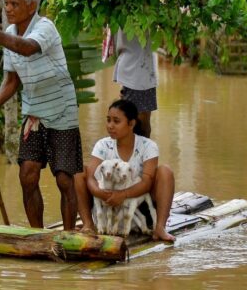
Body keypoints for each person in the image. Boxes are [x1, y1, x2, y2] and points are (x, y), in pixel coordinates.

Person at [0, 0, 82, 230]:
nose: (8, 8)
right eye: (6, 3)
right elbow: (12, 81)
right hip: (34, 111)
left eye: (14, 3)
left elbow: (27, 48)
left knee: (63, 178)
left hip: (61, 110)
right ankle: (37, 234)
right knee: (27, 175)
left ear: (31, 6)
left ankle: (69, 234)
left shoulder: (45, 27)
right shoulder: (11, 34)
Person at [75, 99, 176, 242]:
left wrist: (123, 195)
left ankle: (159, 227)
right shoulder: (102, 145)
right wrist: (101, 194)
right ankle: (88, 224)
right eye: (108, 120)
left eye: (116, 121)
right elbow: (91, 177)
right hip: (107, 208)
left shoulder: (148, 146)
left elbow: (147, 182)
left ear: (131, 124)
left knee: (165, 171)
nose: (110, 126)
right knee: (78, 171)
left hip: (137, 209)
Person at [113, 0, 160, 138]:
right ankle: (138, 167)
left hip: (140, 69)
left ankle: (142, 166)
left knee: (142, 123)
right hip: (135, 69)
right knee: (137, 124)